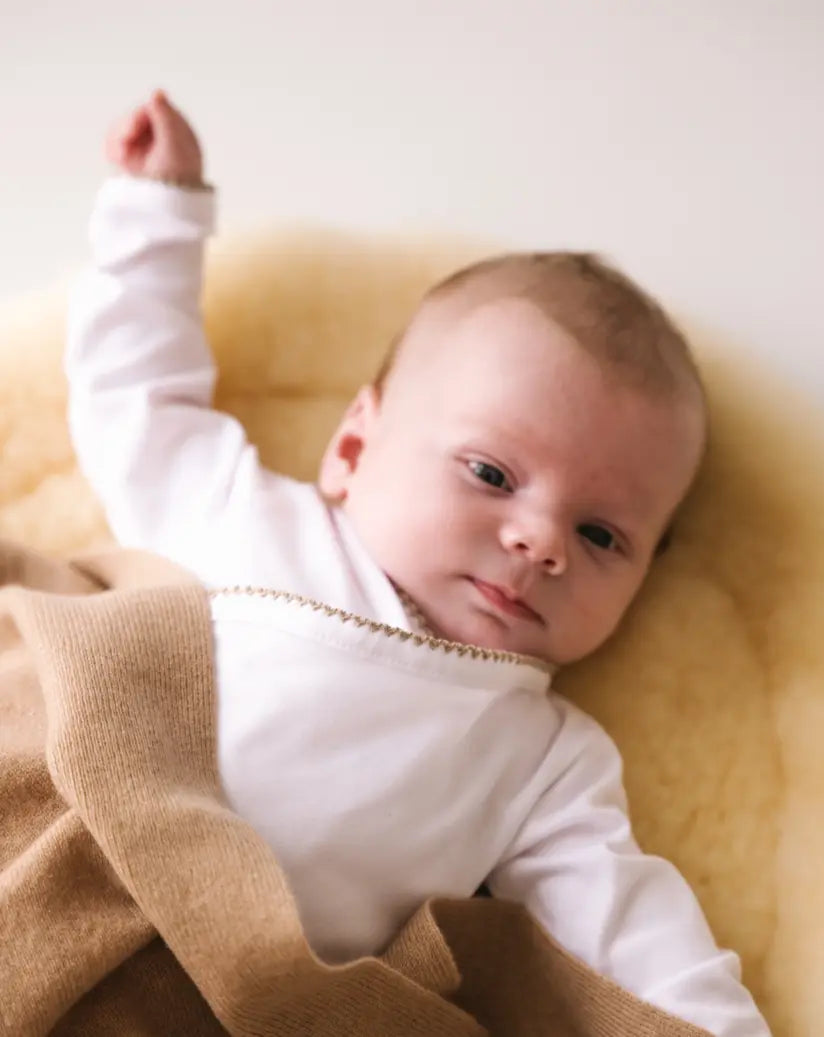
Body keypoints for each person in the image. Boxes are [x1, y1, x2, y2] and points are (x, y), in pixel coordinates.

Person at [65, 89, 771, 1036]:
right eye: (491, 472)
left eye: (603, 535)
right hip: (78, 859)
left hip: (232, 998)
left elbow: (634, 932)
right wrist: (158, 215)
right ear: (354, 449)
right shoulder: (250, 518)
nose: (541, 540)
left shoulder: (543, 758)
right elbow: (135, 402)